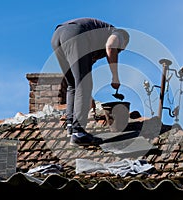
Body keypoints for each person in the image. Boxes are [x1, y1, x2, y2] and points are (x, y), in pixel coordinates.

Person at [51, 17, 130, 146]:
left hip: (57, 35)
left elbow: (82, 76)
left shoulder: (94, 45)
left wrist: (88, 96)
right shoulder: (119, 34)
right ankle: (79, 133)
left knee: (73, 84)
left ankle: (71, 127)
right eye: (121, 49)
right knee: (83, 83)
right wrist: (115, 77)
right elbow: (111, 46)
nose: (119, 51)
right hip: (75, 33)